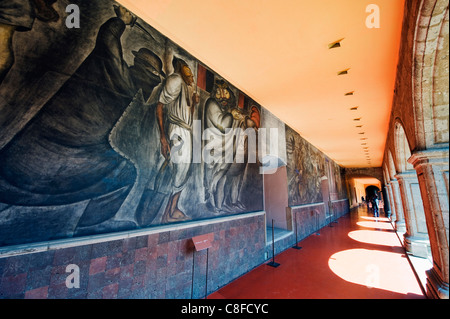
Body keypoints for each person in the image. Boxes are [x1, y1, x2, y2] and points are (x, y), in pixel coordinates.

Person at [156, 57, 199, 223]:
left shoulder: (184, 86)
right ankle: (166, 214)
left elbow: (188, 114)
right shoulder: (175, 79)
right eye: (188, 70)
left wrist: (194, 104)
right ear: (182, 68)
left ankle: (173, 208)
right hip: (177, 131)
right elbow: (160, 105)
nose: (192, 76)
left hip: (185, 131)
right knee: (177, 169)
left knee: (184, 171)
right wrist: (163, 137)